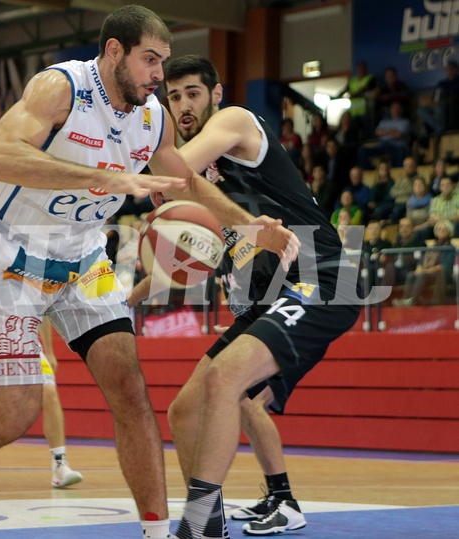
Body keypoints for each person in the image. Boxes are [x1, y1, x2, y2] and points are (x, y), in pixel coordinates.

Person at [0, 8, 299, 539]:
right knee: (13, 413)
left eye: (163, 63)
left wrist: (245, 223)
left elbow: (184, 181)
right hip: (9, 251)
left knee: (129, 386)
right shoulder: (60, 88)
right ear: (115, 51)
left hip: (82, 258)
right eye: (150, 60)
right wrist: (105, 178)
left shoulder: (153, 117)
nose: (158, 76)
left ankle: (156, 532)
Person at [149, 54, 359, 538]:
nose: (182, 104)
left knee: (229, 382)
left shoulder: (234, 120)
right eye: (173, 96)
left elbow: (172, 173)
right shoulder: (208, 170)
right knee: (185, 409)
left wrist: (137, 147)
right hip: (278, 290)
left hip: (323, 276)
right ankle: (213, 519)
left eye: (192, 93)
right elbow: (172, 193)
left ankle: (204, 521)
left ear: (216, 94)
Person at [0, 316, 83, 488]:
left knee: (49, 392)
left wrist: (49, 351)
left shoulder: (34, 287)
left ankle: (60, 464)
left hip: (26, 344)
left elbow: (43, 311)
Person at [392, 220, 455, 306]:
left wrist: (427, 270)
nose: (441, 231)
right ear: (435, 231)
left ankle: (412, 300)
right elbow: (422, 259)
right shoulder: (433, 246)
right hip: (427, 272)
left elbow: (445, 265)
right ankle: (405, 299)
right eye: (439, 229)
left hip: (441, 274)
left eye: (444, 229)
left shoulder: (450, 248)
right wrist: (419, 267)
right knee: (411, 274)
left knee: (422, 275)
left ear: (449, 232)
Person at [357, 101, 411, 170]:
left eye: (397, 108)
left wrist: (385, 132)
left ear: (401, 110)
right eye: (393, 108)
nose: (395, 110)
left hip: (397, 146)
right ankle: (369, 171)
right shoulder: (384, 122)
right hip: (382, 145)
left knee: (400, 152)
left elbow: (399, 135)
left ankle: (397, 171)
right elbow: (377, 133)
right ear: (390, 110)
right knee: (361, 151)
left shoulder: (405, 122)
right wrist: (392, 131)